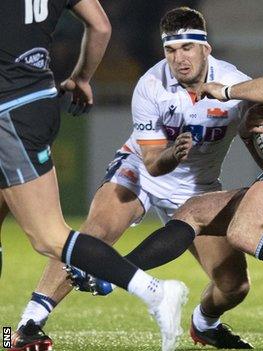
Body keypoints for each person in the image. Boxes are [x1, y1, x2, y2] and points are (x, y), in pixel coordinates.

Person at [75, 33, 263, 351]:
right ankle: (120, 276)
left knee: (243, 230)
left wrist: (225, 91)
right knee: (193, 211)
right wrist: (250, 132)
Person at [11, 6, 253, 350]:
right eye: (170, 50)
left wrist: (262, 127)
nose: (179, 59)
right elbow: (154, 163)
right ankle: (27, 324)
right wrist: (173, 153)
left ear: (205, 49)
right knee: (95, 232)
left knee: (234, 286)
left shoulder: (235, 85)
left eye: (186, 48)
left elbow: (258, 133)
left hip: (198, 189)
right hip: (141, 170)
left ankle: (205, 325)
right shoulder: (151, 84)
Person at [0, 1, 189, 351]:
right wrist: (82, 77)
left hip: (9, 111)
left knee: (48, 236)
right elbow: (100, 26)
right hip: (37, 100)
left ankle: (156, 292)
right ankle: (8, 337)